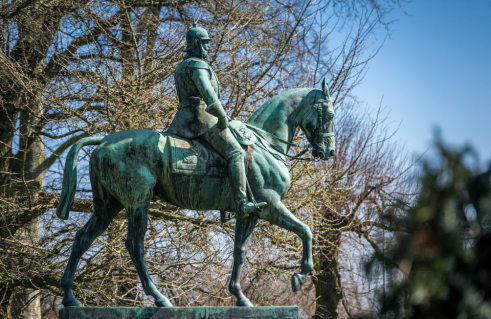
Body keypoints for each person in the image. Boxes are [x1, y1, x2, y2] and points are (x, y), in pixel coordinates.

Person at [167, 22, 267, 218]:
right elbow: (208, 93)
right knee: (236, 153)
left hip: (182, 120)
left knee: (218, 153)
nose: (208, 47)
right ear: (195, 43)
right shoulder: (197, 65)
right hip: (202, 119)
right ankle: (240, 203)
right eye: (205, 43)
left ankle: (224, 202)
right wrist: (221, 114)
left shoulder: (180, 68)